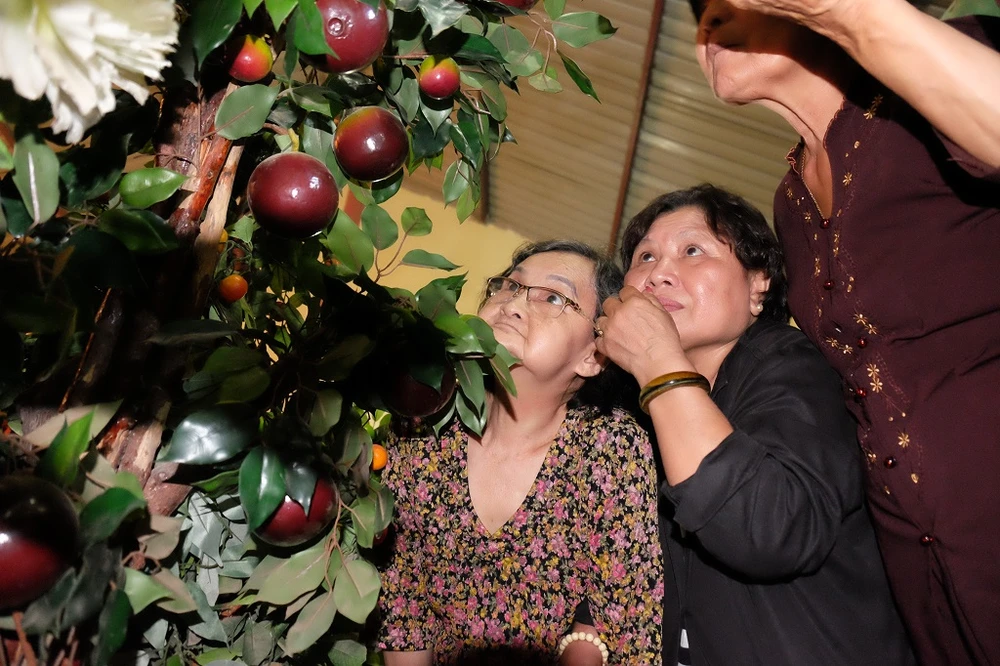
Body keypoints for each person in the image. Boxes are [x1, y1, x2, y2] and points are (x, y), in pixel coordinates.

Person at [687, 1, 1000, 663]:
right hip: (920, 572)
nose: (705, 23)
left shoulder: (933, 78)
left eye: (720, 2)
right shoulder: (788, 205)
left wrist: (852, 13)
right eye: (697, 13)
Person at [563, 185, 913, 665]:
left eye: (693, 250)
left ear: (758, 286)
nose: (658, 273)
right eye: (645, 257)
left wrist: (658, 362)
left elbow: (770, 530)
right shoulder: (638, 420)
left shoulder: (790, 364)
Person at [375, 240, 664, 665]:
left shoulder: (609, 449)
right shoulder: (422, 425)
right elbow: (404, 608)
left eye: (553, 297)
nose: (512, 304)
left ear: (592, 356)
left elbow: (628, 624)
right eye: (509, 286)